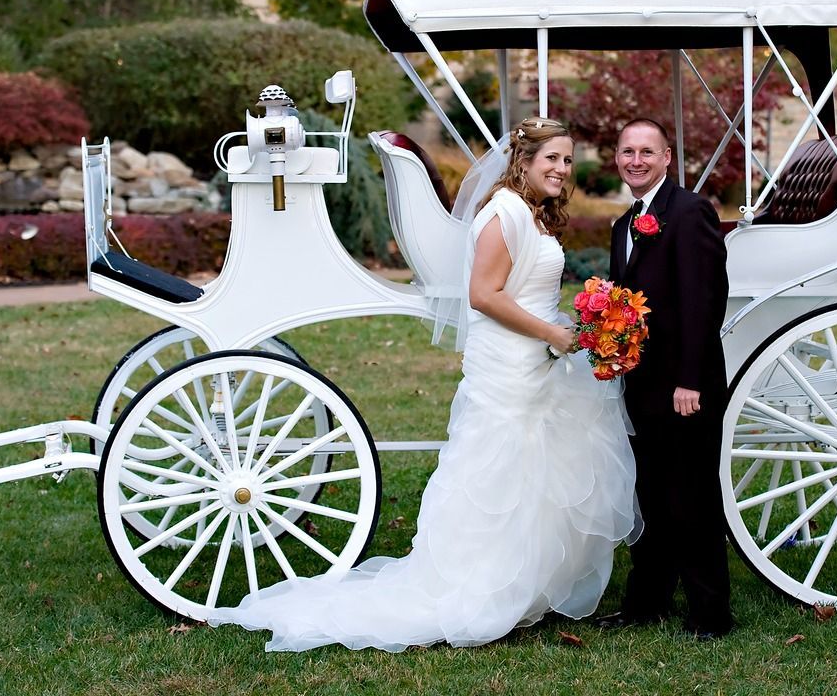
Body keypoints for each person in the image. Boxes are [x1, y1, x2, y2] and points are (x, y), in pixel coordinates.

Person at [210, 118, 638, 652]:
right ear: (523, 161)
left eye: (568, 160)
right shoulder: (502, 213)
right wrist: (554, 333)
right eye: (551, 158)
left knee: (532, 474)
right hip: (510, 361)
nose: (561, 169)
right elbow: (483, 295)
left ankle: (524, 583)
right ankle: (478, 586)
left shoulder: (532, 214)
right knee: (495, 476)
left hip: (536, 359)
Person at [601, 117, 733, 639]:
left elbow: (704, 302)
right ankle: (646, 603)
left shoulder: (690, 212)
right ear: (617, 157)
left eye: (647, 152)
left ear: (667, 158)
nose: (636, 160)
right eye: (627, 151)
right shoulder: (623, 225)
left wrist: (690, 381)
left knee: (692, 496)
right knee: (651, 496)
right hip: (642, 385)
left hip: (685, 387)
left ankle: (710, 614)